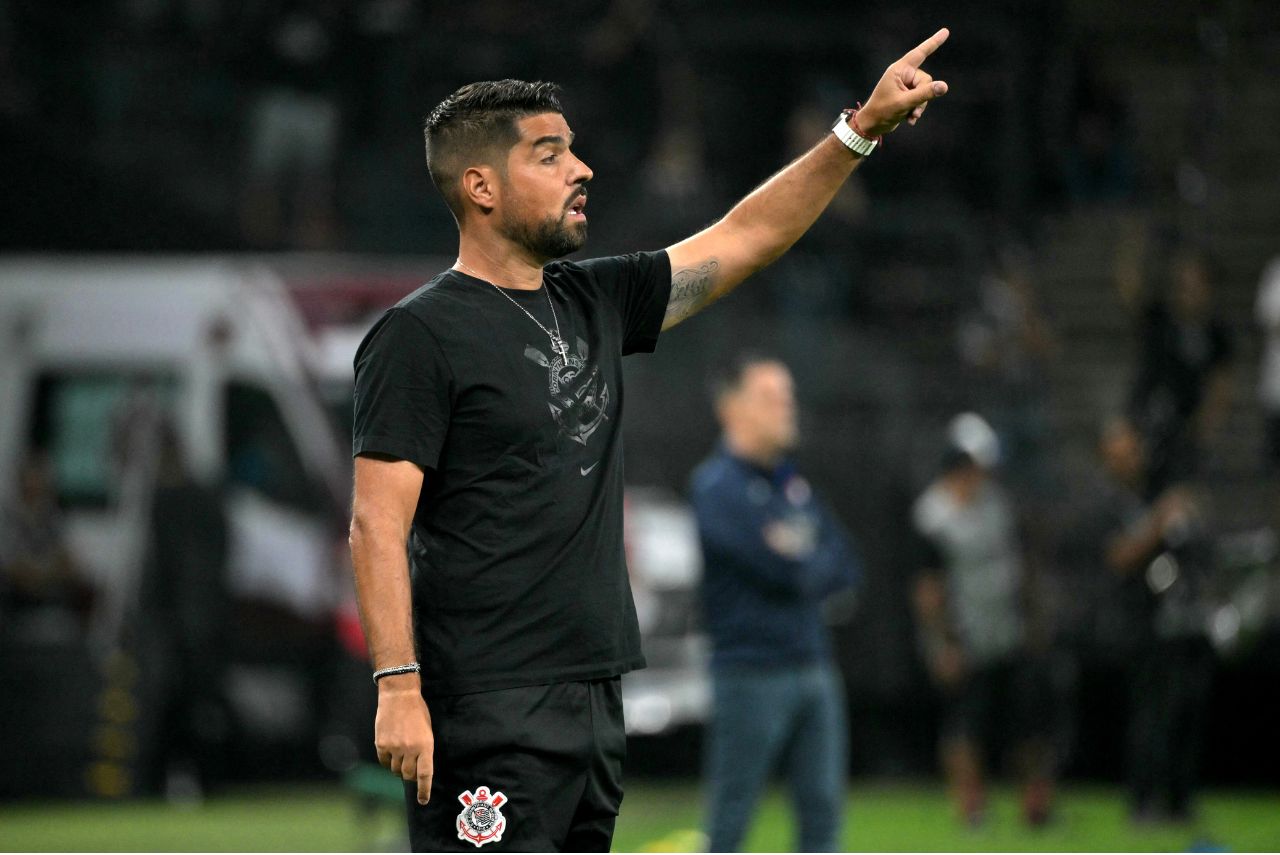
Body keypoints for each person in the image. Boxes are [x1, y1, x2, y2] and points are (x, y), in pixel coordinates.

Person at [349, 30, 951, 852]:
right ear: (481, 185)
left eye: (574, 151)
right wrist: (397, 684)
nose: (581, 168)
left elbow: (746, 236)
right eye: (549, 154)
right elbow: (375, 523)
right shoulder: (417, 336)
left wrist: (859, 131)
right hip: (486, 703)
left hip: (593, 700)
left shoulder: (595, 299)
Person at [690, 354, 860, 852]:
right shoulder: (717, 487)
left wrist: (799, 559)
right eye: (771, 397)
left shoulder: (792, 485)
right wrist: (804, 562)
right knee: (731, 817)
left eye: (789, 396)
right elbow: (780, 569)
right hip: (750, 673)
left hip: (813, 666)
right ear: (732, 408)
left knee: (823, 811)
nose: (787, 407)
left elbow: (846, 563)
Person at [910, 418, 1053, 827]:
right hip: (965, 636)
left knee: (1028, 723)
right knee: (965, 726)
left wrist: (1032, 620)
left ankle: (1036, 806)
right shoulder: (931, 515)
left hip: (1006, 631)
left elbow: (1019, 565)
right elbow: (928, 589)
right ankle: (971, 809)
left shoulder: (996, 503)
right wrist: (942, 645)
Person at [1072, 417, 1211, 824]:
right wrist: (1160, 519)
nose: (1129, 460)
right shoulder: (1103, 502)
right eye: (1118, 454)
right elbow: (1119, 557)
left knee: (1187, 709)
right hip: (1136, 621)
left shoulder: (1152, 490)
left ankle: (1179, 801)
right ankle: (1143, 801)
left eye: (1132, 450)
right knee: (1150, 714)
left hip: (1180, 615)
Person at [1128, 249, 1234, 495]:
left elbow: (1221, 384)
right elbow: (1130, 289)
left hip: (1185, 430)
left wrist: (1204, 428)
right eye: (1184, 283)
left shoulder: (1215, 332)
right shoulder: (1160, 319)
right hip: (1148, 419)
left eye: (1196, 283)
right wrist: (1134, 244)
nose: (1189, 290)